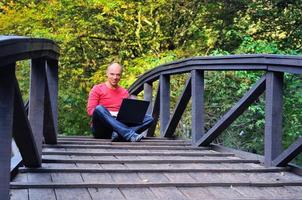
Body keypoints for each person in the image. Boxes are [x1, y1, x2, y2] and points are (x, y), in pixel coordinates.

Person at [86, 63, 153, 142]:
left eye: (118, 75)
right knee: (99, 108)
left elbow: (127, 114)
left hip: (118, 126)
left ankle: (119, 135)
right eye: (112, 74)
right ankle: (128, 134)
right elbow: (90, 111)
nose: (115, 77)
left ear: (120, 76)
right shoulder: (97, 89)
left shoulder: (124, 92)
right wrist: (111, 115)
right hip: (101, 129)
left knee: (149, 118)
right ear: (107, 74)